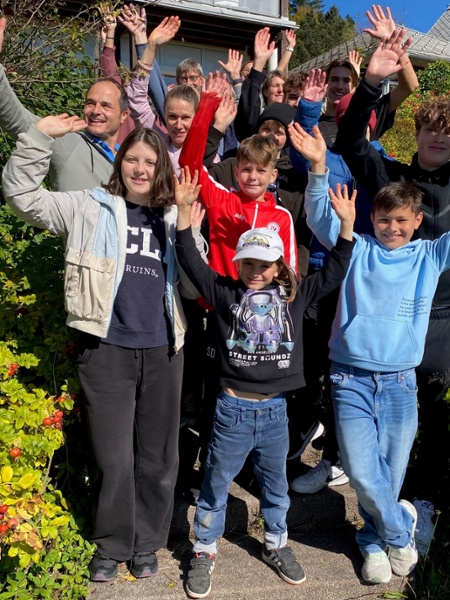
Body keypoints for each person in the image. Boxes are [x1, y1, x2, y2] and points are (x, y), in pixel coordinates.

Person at [1, 116, 203, 582]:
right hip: (106, 348)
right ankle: (111, 544)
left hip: (164, 350)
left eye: (150, 162)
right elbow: (22, 196)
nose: (140, 168)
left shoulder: (173, 215)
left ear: (161, 169)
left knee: (158, 456)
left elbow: (195, 287)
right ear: (119, 161)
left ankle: (146, 542)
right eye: (132, 159)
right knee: (112, 457)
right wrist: (39, 137)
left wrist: (187, 223)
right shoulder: (88, 206)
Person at [173, 167, 355, 599]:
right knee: (216, 484)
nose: (256, 271)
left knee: (276, 486)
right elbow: (192, 261)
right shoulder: (224, 293)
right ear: (238, 264)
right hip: (231, 411)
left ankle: (276, 543)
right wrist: (183, 215)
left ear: (279, 266)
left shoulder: (296, 295)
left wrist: (347, 227)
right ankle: (203, 549)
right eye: (249, 263)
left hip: (275, 412)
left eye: (265, 264)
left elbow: (335, 271)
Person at [291, 114, 450, 583]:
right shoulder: (357, 248)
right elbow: (321, 219)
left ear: (417, 221)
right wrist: (318, 169)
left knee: (389, 475)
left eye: (401, 221)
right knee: (362, 472)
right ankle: (400, 530)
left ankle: (373, 541)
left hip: (400, 382)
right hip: (351, 379)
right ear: (372, 219)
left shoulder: (429, 255)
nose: (391, 228)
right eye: (383, 220)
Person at [336, 26, 450, 557]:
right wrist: (371, 84)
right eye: (431, 130)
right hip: (390, 323)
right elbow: (350, 143)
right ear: (417, 133)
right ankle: (383, 521)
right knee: (382, 431)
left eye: (448, 133)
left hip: (442, 320)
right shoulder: (393, 182)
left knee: (427, 423)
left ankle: (415, 506)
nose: (439, 139)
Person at [0, 17, 130, 192]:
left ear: (124, 115)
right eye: (90, 103)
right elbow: (15, 118)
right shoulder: (69, 144)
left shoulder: (129, 158)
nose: (96, 111)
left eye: (106, 105)